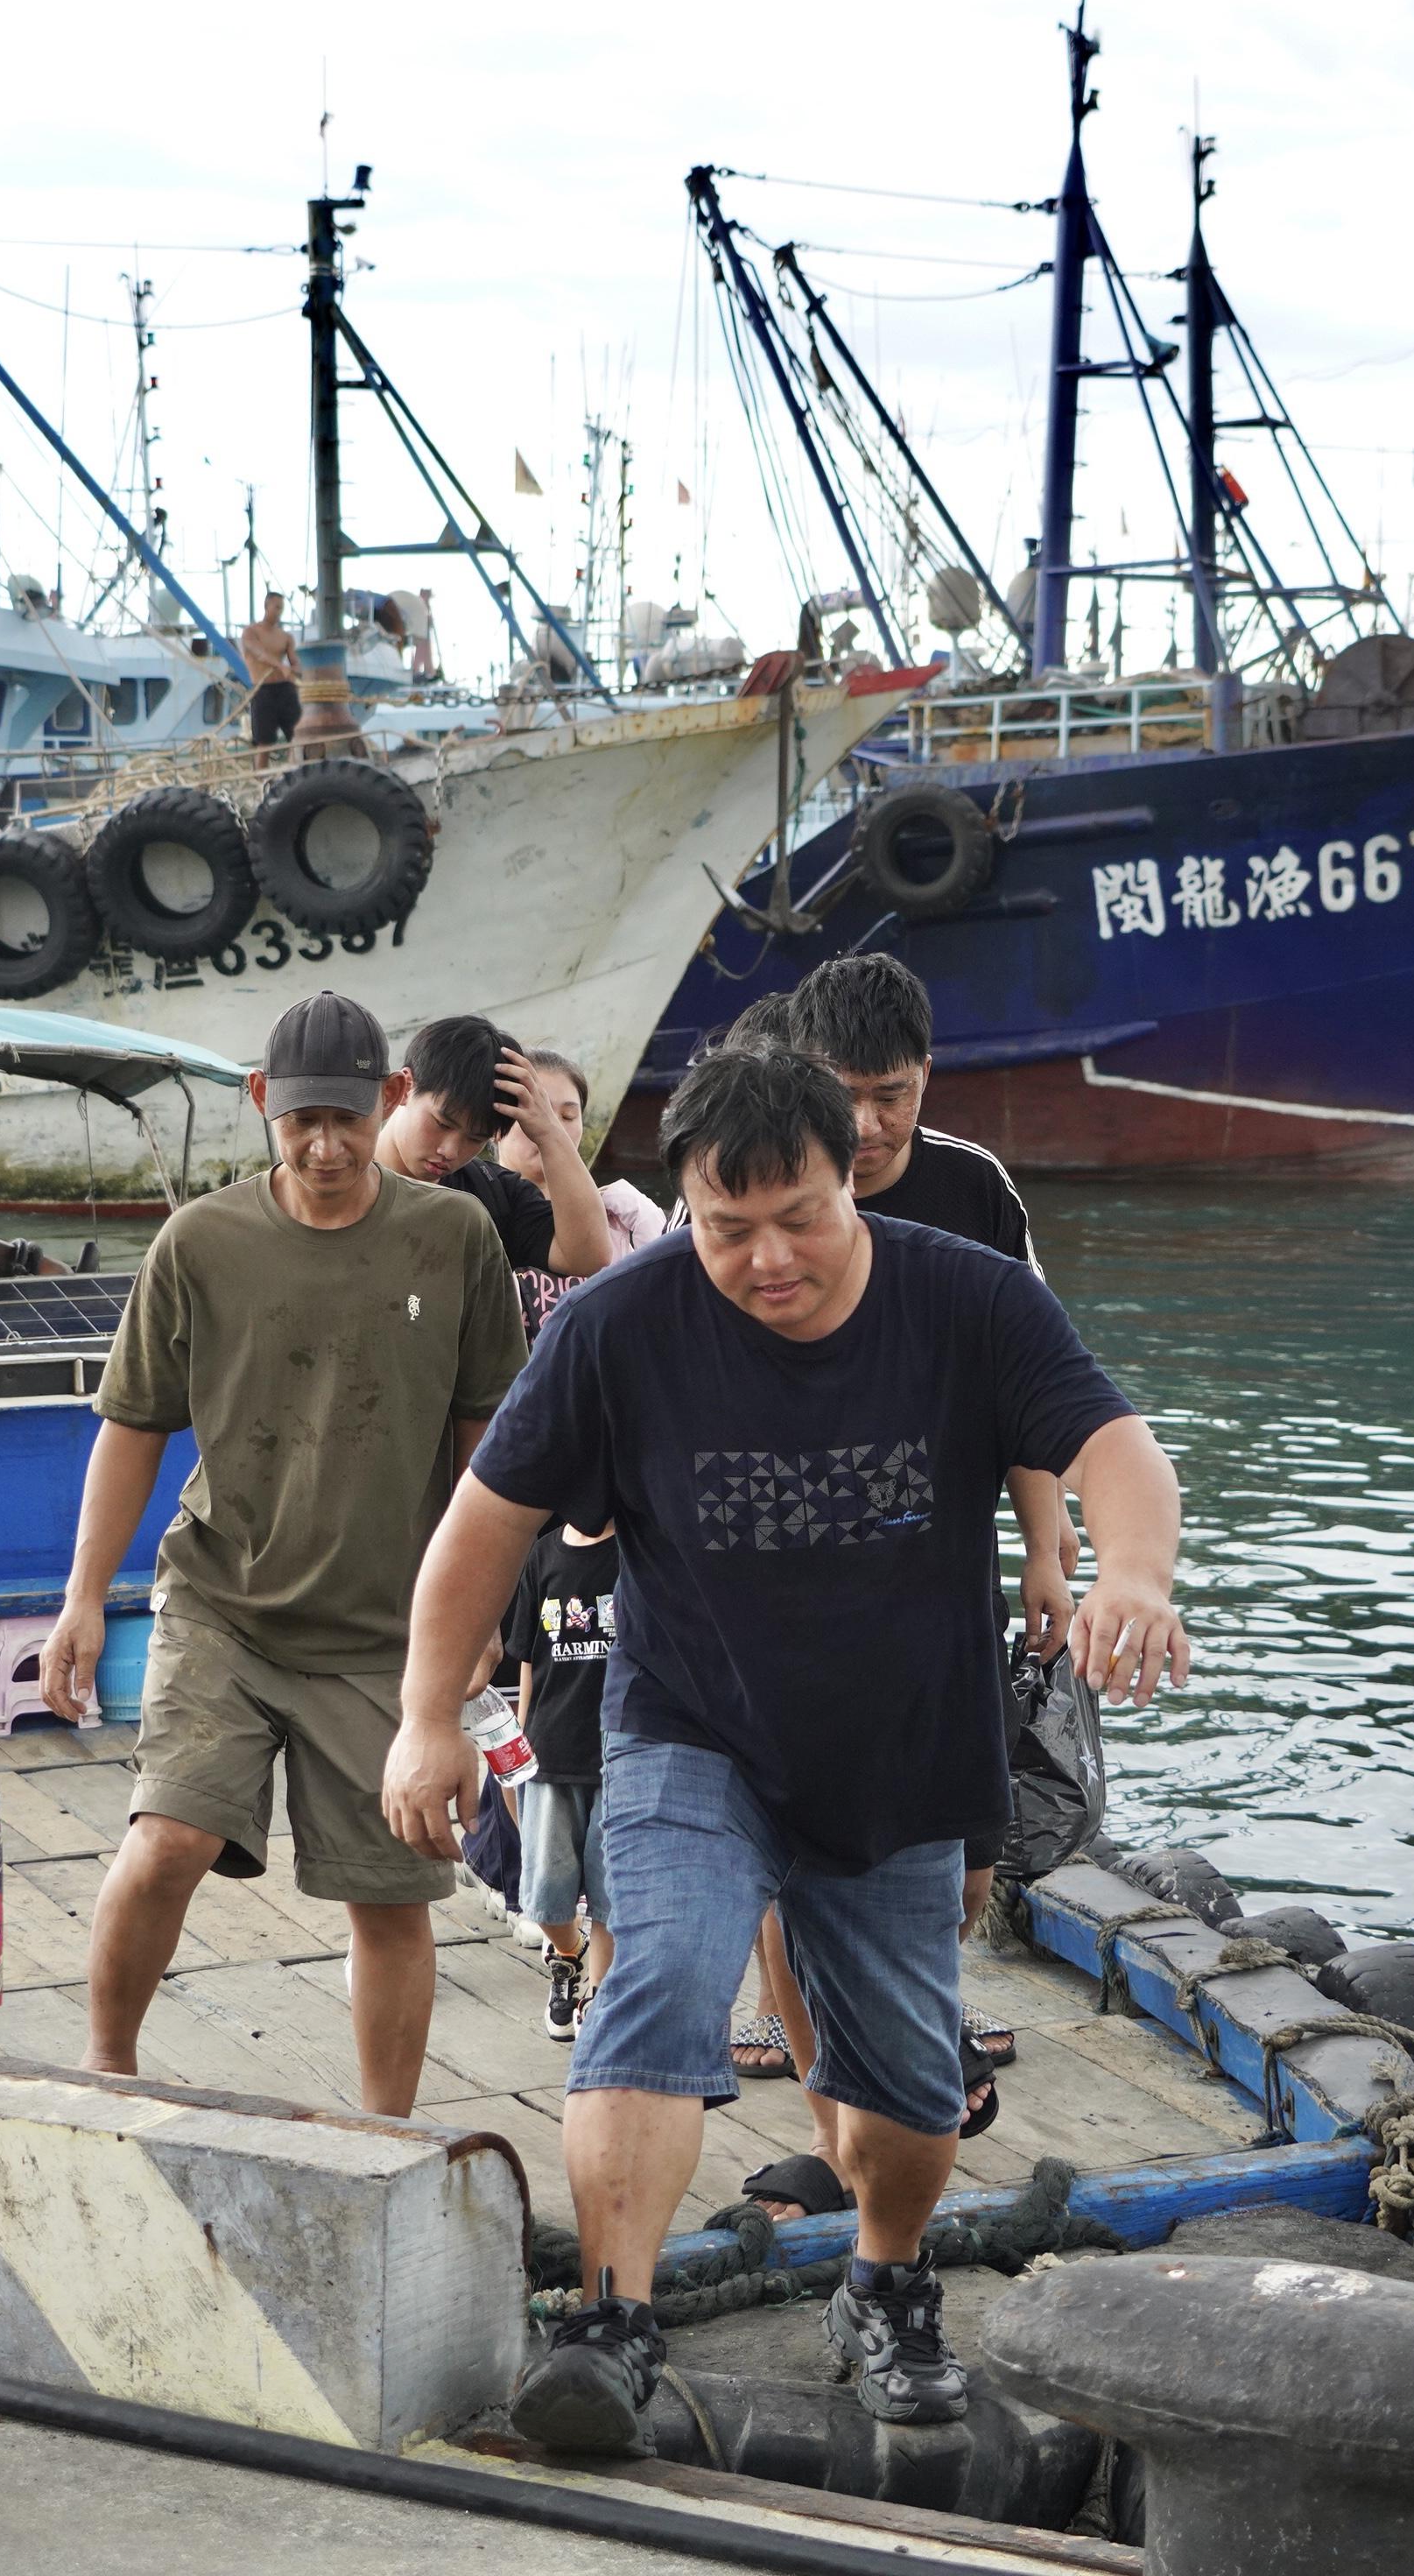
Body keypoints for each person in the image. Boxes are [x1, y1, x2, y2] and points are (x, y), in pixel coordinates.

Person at [380, 1043, 1193, 2450]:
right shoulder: (616, 1326)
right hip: (691, 1729)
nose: (766, 1260)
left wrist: (1134, 1572)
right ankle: (614, 2325)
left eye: (797, 1218)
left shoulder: (967, 1298)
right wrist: (426, 1715)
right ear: (682, 1206)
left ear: (852, 1180)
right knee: (664, 1981)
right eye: (724, 1229)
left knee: (904, 2103)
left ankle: (885, 2283)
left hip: (903, 1752)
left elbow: (1116, 1446)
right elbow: (482, 1526)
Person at [37, 989, 524, 2116]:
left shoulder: (455, 1238)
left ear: (390, 1102)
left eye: (347, 1120)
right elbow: (131, 1428)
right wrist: (80, 1599)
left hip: (388, 1637)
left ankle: (384, 2132)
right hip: (225, 1607)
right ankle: (106, 2070)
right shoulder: (198, 1243)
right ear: (262, 1103)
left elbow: (490, 1448)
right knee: (168, 1838)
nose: (324, 1145)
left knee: (393, 1900)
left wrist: (479, 1611)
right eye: (300, 1119)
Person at [732, 954, 1073, 2145]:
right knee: (789, 1856)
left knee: (962, 1858)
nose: (871, 1126)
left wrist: (1051, 1546)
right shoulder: (747, 1181)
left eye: (896, 1094)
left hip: (939, 1584)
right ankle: (834, 2105)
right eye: (846, 1093)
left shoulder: (973, 1187)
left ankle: (906, 2023)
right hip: (781, 1591)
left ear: (930, 1080)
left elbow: (1033, 1381)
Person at [375, 1014, 616, 1284]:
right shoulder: (337, 1175)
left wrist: (549, 1133)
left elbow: (589, 1257)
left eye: (475, 1139)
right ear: (405, 1088)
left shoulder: (492, 1196)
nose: (450, 1151)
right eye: (442, 1124)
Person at [505, 1519, 623, 2039]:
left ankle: (599, 2002)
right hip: (551, 1749)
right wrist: (519, 1748)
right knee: (547, 1893)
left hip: (620, 1748)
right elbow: (528, 1660)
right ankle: (568, 1954)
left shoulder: (639, 1548)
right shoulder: (542, 1555)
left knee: (609, 1892)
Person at [491, 1048, 670, 1333]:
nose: (553, 1129)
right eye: (538, 1112)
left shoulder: (625, 1219)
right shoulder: (475, 1210)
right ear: (496, 1126)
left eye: (568, 1116)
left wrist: (653, 1230)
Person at [237, 592, 302, 749]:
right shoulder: (250, 632)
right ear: (267, 607)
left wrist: (298, 671)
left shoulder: (286, 637)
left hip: (286, 689)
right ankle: (261, 774)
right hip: (263, 690)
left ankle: (293, 770)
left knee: (297, 739)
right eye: (277, 607)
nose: (279, 612)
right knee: (264, 744)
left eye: (282, 608)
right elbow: (260, 654)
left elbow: (296, 663)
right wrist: (281, 667)